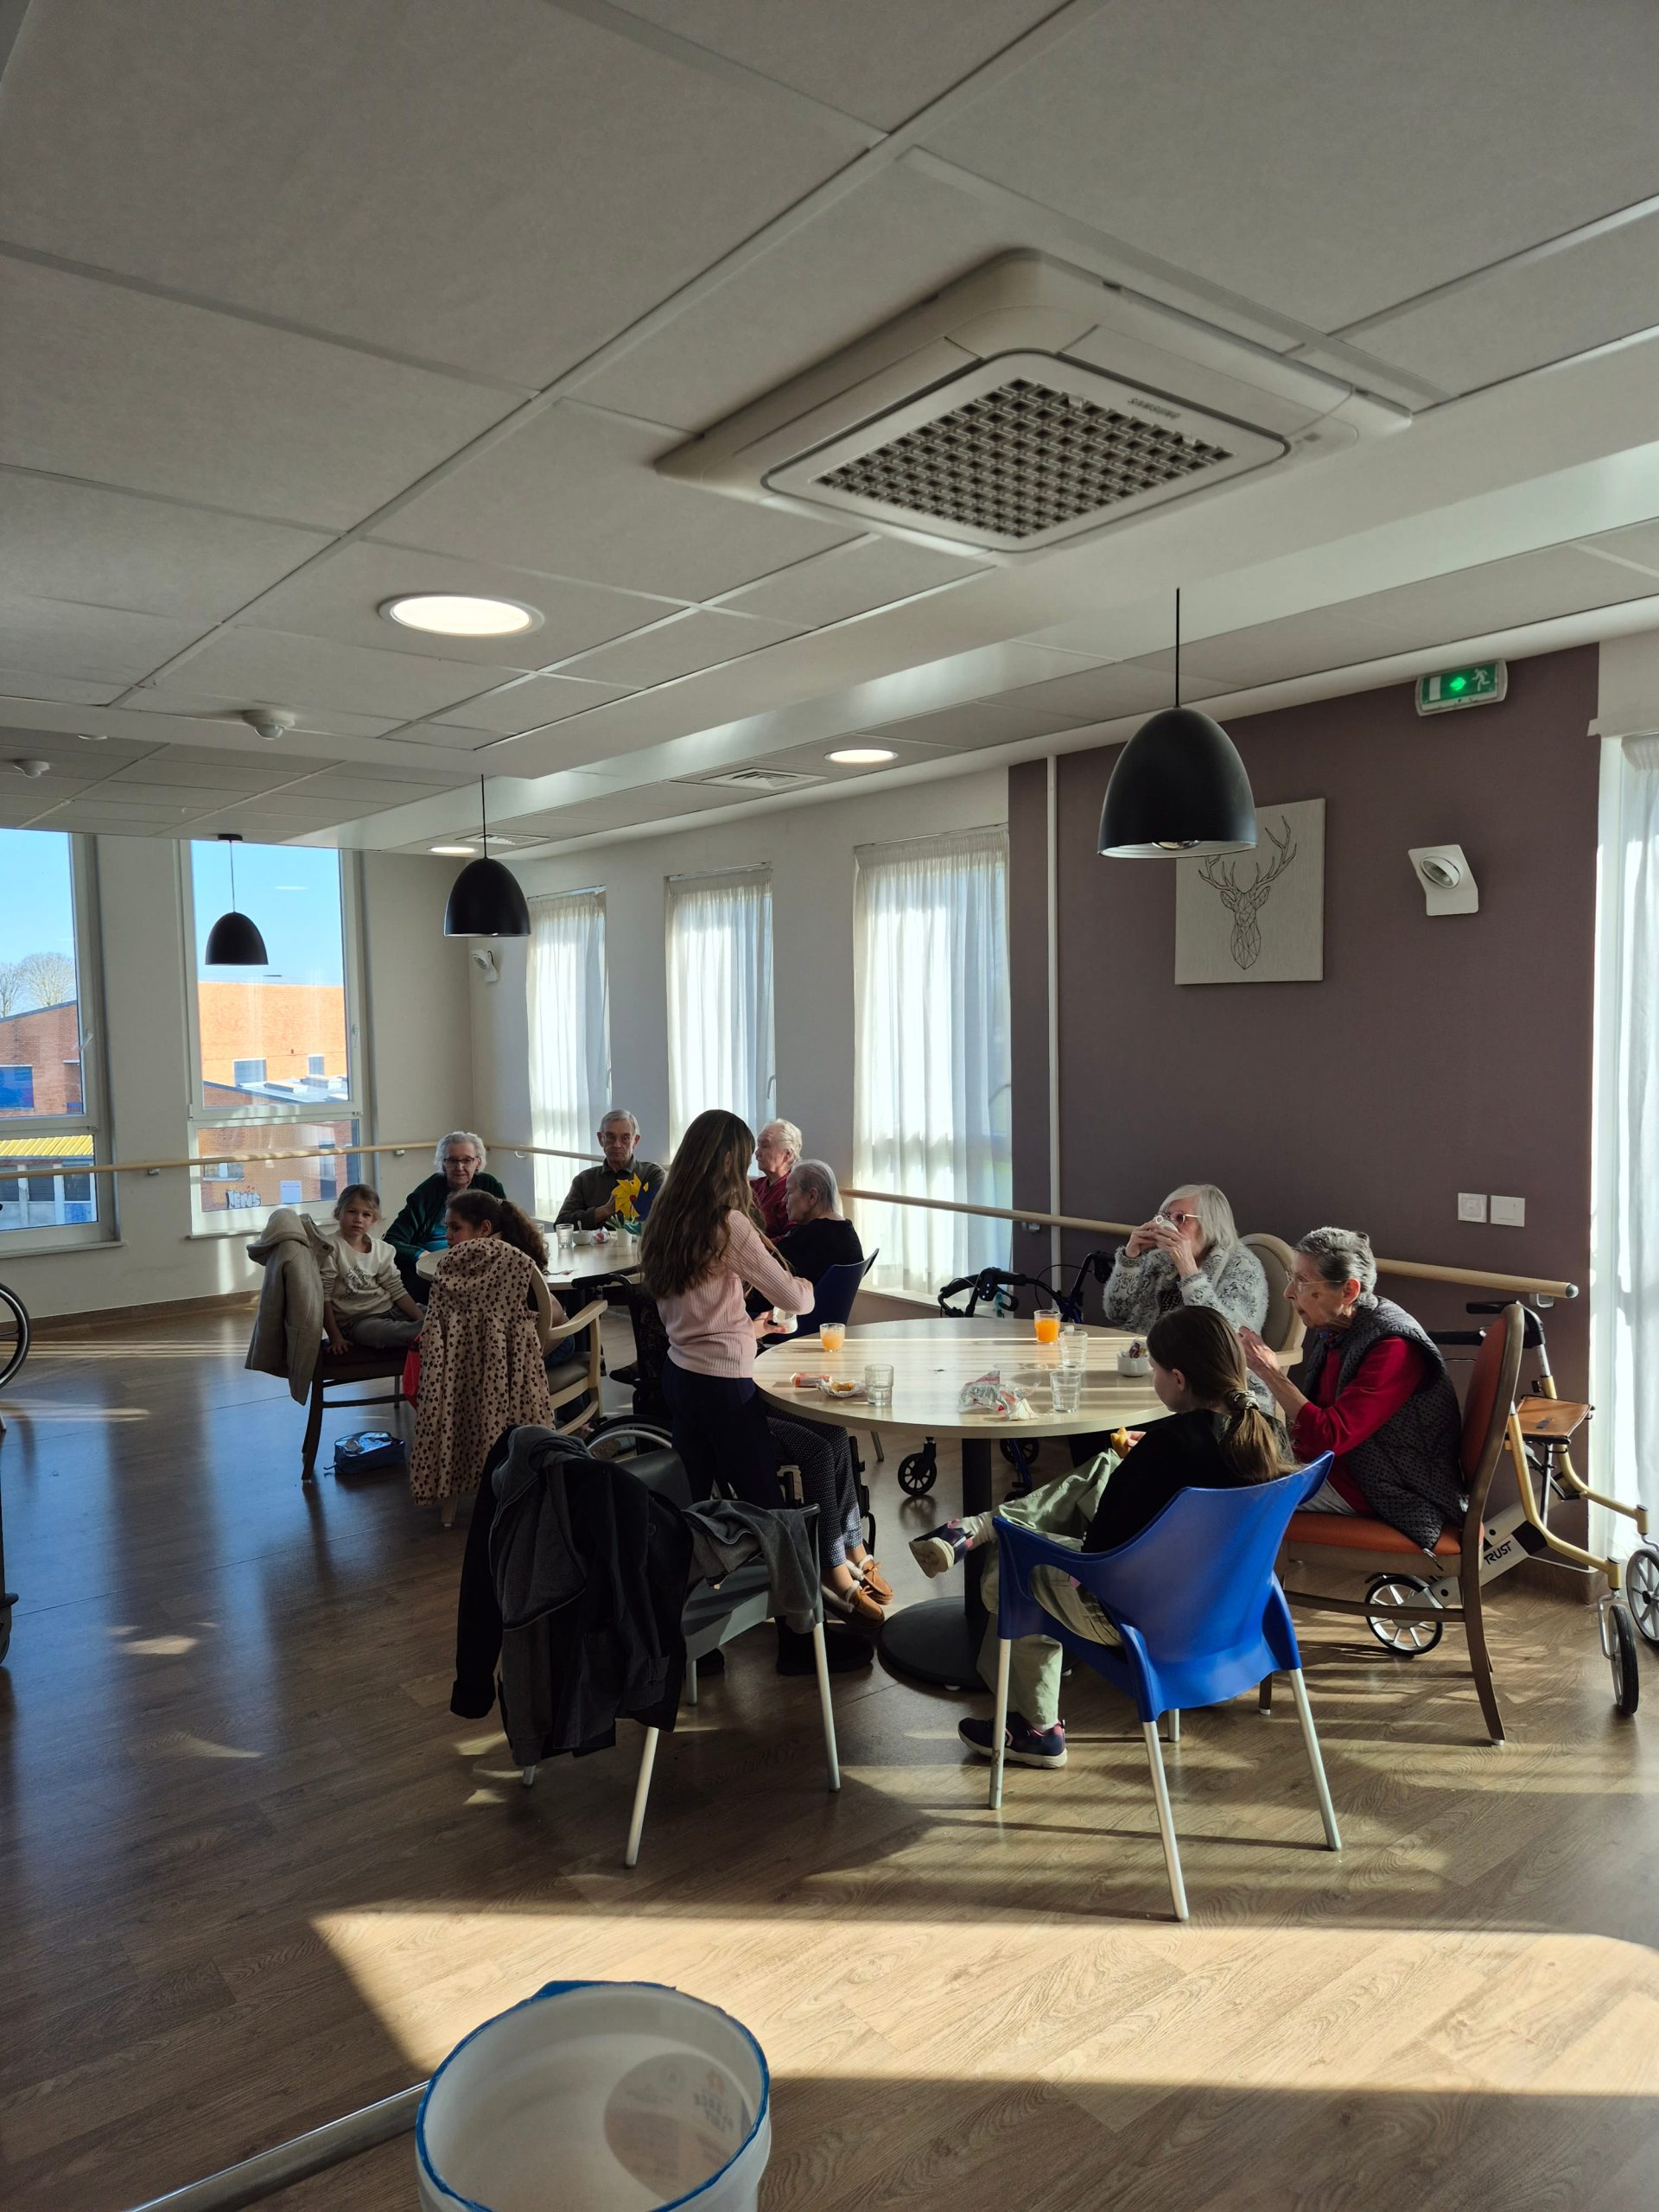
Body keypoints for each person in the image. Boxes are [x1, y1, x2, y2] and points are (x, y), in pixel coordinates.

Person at [910, 1306, 1286, 1770]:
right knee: (1104, 1467)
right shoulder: (1265, 1436)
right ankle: (982, 1526)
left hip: (1141, 1618)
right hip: (1229, 1613)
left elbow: (1100, 1549)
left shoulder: (1170, 1444)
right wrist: (1137, 1470)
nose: (1154, 1380)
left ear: (1179, 1379)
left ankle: (1036, 1729)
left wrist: (1121, 1487)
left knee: (1013, 1561)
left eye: (1154, 1370)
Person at [640, 1107, 868, 1675]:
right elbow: (796, 1299)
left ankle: (689, 1642)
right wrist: (802, 1286)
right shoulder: (728, 1225)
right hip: (725, 1388)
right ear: (727, 1162)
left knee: (694, 1511)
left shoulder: (665, 1217)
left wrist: (747, 1326)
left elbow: (696, 1310)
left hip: (681, 1376)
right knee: (772, 1516)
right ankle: (798, 1641)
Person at [1241, 1226, 1463, 1550]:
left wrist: (1269, 1372)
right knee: (1217, 1458)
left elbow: (1330, 1436)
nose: (1289, 1292)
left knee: (1231, 1493)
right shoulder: (1339, 1326)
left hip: (1385, 1489)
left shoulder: (1393, 1348)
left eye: (1302, 1281)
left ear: (1348, 1291)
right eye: (1291, 1277)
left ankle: (1241, 1580)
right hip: (1342, 1468)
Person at [1100, 1184, 1268, 1336]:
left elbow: (1228, 1335)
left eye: (1180, 1218)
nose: (1169, 1225)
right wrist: (1130, 1259)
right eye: (1166, 1217)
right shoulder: (1159, 1258)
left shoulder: (1243, 1266)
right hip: (1146, 1352)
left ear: (1211, 1224)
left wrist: (1189, 1272)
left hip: (1201, 1359)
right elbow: (1117, 1313)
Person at [386, 1133, 505, 1298]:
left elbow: (508, 1226)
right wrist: (423, 1256)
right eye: (453, 1160)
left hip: (479, 1259)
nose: (460, 1167)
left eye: (467, 1160)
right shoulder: (427, 1192)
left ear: (478, 1162)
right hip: (434, 1268)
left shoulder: (489, 1185)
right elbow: (391, 1241)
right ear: (443, 1164)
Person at [319, 1184, 426, 1355]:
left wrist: (421, 1318)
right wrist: (335, 1337)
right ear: (337, 1213)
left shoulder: (382, 1250)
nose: (358, 1219)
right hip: (357, 1322)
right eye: (352, 1212)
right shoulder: (330, 1248)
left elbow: (397, 1290)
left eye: (366, 1214)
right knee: (389, 1333)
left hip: (390, 1309)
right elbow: (324, 1297)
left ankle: (431, 1329)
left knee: (436, 1313)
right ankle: (431, 1332)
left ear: (373, 1219)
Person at [556, 1110, 665, 1230]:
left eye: (625, 1138)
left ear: (635, 1141)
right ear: (600, 1139)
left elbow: (663, 1219)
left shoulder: (652, 1174)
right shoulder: (584, 1180)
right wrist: (605, 1210)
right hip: (593, 1243)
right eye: (610, 1137)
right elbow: (561, 1225)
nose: (617, 1145)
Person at [774, 1160, 862, 1284]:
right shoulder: (849, 1233)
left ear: (812, 1196)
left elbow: (765, 1269)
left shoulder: (805, 1239)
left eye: (790, 1192)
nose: (784, 1199)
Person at [749, 1118, 802, 1239]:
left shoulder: (795, 1192)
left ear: (787, 1154)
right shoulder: (754, 1187)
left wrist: (755, 1245)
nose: (757, 1153)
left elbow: (793, 1238)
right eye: (759, 1146)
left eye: (765, 1146)